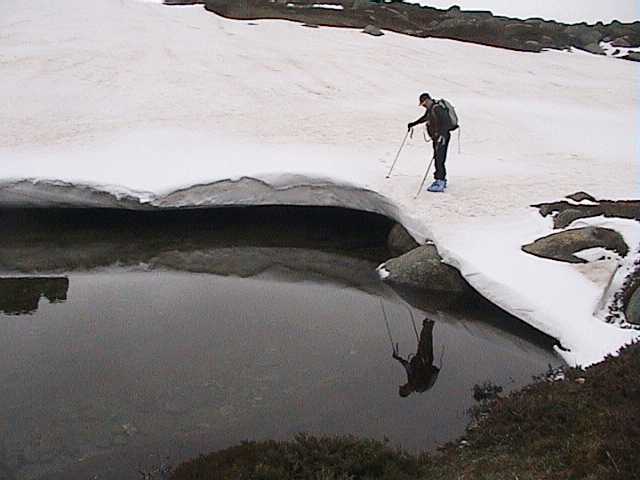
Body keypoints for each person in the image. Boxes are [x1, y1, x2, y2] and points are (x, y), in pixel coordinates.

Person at [407, 93, 452, 193]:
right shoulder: (431, 109)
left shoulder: (437, 108)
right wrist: (413, 124)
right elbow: (425, 118)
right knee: (437, 157)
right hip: (437, 137)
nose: (423, 106)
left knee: (439, 158)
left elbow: (446, 123)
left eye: (423, 103)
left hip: (442, 137)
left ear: (427, 100)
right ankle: (439, 179)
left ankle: (440, 181)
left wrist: (442, 135)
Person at [392, 319, 440, 397]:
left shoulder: (411, 379)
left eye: (403, 386)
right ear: (408, 392)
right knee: (426, 338)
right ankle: (432, 318)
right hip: (426, 360)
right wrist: (426, 364)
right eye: (404, 387)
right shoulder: (419, 387)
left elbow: (407, 366)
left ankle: (430, 319)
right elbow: (426, 374)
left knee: (424, 337)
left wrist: (398, 358)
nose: (404, 385)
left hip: (420, 356)